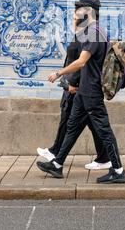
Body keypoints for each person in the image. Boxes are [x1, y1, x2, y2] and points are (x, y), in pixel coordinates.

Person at [37, 0, 125, 184]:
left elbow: (81, 61)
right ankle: (57, 164)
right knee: (72, 126)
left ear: (88, 13)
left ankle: (118, 170)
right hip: (83, 90)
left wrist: (58, 73)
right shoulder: (91, 31)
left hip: (91, 91)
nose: (76, 14)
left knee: (104, 130)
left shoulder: (94, 33)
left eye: (79, 11)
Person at [37, 37, 111, 170]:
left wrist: (70, 83)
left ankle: (114, 166)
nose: (74, 21)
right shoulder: (85, 36)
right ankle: (57, 159)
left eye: (77, 18)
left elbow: (82, 64)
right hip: (80, 89)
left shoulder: (90, 37)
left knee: (87, 126)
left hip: (80, 89)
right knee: (76, 125)